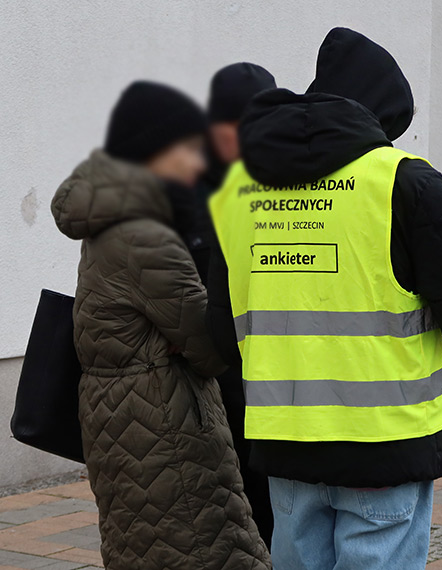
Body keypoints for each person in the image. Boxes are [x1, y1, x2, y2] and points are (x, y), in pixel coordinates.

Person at [207, 28, 442, 569]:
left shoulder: (238, 192)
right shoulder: (400, 182)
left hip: (286, 441)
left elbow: (218, 332)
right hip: (386, 443)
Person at [51, 80, 271, 570]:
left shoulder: (110, 219)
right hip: (164, 421)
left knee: (145, 546)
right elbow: (210, 347)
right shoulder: (147, 236)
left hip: (120, 416)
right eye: (188, 150)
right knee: (204, 548)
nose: (198, 164)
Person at [182, 62, 277, 545]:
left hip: (278, 376)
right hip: (209, 381)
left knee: (274, 512)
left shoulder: (286, 182)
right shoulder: (185, 191)